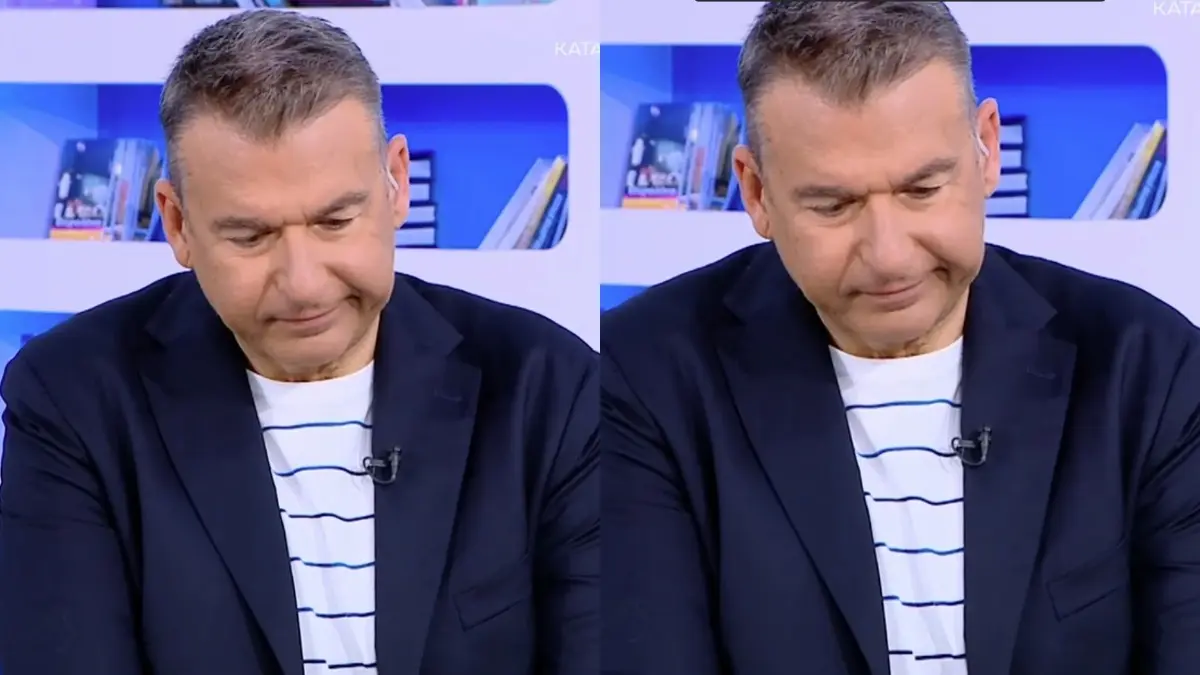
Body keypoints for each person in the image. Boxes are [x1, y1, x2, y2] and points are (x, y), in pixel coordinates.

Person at [601, 2, 1200, 674]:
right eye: (833, 205)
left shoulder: (1151, 367)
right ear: (757, 191)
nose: (888, 256)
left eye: (922, 189)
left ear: (987, 148)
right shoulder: (641, 377)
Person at [0, 10, 597, 675]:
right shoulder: (72, 399)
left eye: (335, 221)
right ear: (177, 223)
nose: (304, 284)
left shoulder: (549, 386)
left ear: (396, 182)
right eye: (250, 237)